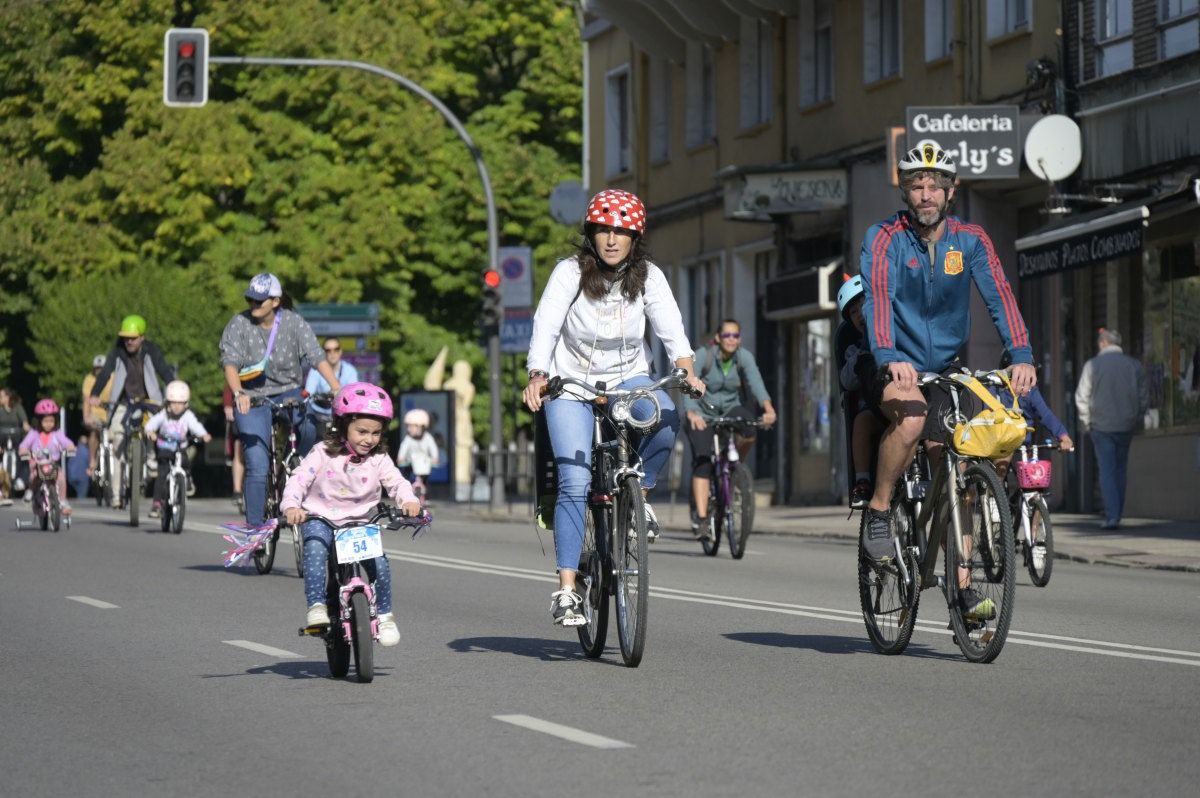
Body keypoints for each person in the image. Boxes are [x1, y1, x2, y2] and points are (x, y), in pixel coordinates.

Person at [859, 142, 1035, 621]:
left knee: (964, 460)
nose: (926, 193)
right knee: (912, 422)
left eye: (935, 185)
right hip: (895, 364)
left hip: (949, 367)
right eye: (917, 185)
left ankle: (961, 589)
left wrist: (1020, 354)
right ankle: (879, 510)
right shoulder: (884, 238)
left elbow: (1000, 296)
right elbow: (878, 297)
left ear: (951, 191)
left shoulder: (971, 240)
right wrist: (889, 354)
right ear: (905, 190)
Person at [522, 188, 705, 627]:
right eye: (603, 229)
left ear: (635, 238)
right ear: (590, 233)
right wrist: (537, 375)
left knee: (664, 417)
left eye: (621, 232)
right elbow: (546, 323)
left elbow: (671, 328)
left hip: (628, 379)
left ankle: (638, 494)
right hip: (571, 384)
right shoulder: (569, 272)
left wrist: (685, 369)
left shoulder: (649, 276)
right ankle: (567, 589)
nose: (611, 239)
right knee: (574, 480)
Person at [281, 382, 420, 647]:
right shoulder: (322, 452)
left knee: (379, 562)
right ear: (343, 426)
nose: (370, 439)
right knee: (314, 550)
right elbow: (298, 479)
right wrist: (291, 506)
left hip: (358, 522)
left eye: (376, 433)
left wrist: (409, 500)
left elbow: (397, 482)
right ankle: (317, 607)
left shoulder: (378, 458)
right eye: (362, 431)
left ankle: (385, 616)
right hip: (320, 518)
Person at [221, 273, 342, 528]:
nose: (253, 304)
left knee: (309, 423)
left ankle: (297, 465)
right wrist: (238, 392)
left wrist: (336, 387)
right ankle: (255, 530)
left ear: (275, 301)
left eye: (259, 300)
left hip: (289, 392)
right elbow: (229, 362)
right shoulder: (239, 324)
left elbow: (316, 356)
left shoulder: (294, 323)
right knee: (256, 462)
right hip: (252, 396)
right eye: (250, 299)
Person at [682, 318, 776, 533]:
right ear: (718, 338)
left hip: (730, 408)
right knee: (703, 461)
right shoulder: (705, 356)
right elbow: (688, 380)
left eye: (735, 335)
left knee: (750, 428)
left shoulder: (743, 357)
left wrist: (768, 408)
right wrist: (691, 412)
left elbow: (756, 381)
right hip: (702, 412)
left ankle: (734, 469)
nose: (731, 340)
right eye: (727, 335)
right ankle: (703, 519)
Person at [88, 315, 176, 495]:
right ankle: (116, 493)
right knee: (118, 439)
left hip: (149, 400)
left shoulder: (151, 351)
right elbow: (105, 373)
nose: (129, 342)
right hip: (123, 402)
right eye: (125, 338)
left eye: (133, 338)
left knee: (154, 429)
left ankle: (151, 462)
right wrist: (95, 394)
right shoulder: (117, 353)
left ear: (142, 337)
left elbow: (164, 370)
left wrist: (174, 390)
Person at [1074, 328, 1147, 530]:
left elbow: (1082, 396)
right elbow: (1143, 395)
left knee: (1107, 471)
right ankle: (1117, 512)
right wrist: (1138, 417)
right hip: (1126, 424)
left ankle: (1112, 515)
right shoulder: (1133, 365)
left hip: (1102, 426)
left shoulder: (1093, 365)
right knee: (1120, 469)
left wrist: (1086, 422)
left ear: (1104, 343)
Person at [833, 275, 884, 509]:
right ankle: (862, 481)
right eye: (853, 312)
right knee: (862, 422)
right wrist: (863, 352)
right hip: (873, 408)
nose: (860, 313)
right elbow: (847, 381)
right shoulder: (852, 346)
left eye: (865, 304)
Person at [990, 351, 1074, 483]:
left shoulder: (1030, 391)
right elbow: (989, 415)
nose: (1025, 382)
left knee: (1034, 474)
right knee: (1000, 468)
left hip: (1024, 442)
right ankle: (993, 498)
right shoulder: (995, 390)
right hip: (1001, 441)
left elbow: (1045, 414)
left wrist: (1063, 436)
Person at [145, 380, 212, 518]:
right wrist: (150, 432)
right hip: (164, 448)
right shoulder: (163, 414)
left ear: (186, 403)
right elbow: (151, 424)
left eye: (180, 403)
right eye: (173, 402)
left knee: (186, 463)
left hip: (180, 449)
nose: (176, 406)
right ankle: (157, 503)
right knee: (162, 474)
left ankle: (186, 480)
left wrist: (203, 434)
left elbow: (195, 426)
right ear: (168, 402)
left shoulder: (187, 416)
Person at [300, 336, 358, 455]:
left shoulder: (350, 370)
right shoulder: (315, 371)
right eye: (328, 350)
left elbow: (354, 395)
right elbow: (308, 393)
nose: (332, 353)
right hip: (319, 416)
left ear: (340, 351)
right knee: (307, 433)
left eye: (336, 349)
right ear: (323, 353)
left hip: (342, 417)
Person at [19, 399, 77, 516]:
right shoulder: (34, 434)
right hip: (37, 464)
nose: (48, 424)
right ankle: (31, 490)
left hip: (52, 465)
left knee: (60, 478)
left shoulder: (57, 433)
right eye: (45, 421)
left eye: (51, 420)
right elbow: (23, 446)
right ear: (39, 421)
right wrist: (24, 451)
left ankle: (62, 500)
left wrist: (70, 447)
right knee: (34, 477)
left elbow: (67, 442)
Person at [82, 354, 114, 476]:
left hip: (111, 413)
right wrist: (86, 416)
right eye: (97, 368)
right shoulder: (89, 379)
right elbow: (86, 400)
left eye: (102, 368)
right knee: (94, 433)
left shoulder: (113, 378)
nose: (99, 371)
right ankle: (92, 460)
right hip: (96, 414)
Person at [397, 408, 439, 500]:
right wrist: (401, 457)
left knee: (426, 480)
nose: (409, 429)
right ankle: (407, 494)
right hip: (410, 463)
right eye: (408, 426)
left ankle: (426, 496)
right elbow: (403, 448)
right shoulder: (408, 438)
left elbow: (433, 448)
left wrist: (435, 458)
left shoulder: (428, 438)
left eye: (412, 427)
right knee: (406, 479)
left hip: (423, 464)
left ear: (421, 427)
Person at [0, 387, 30, 503]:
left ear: (8, 397)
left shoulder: (18, 408)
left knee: (22, 457)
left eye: (1, 396)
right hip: (1, 439)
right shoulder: (0, 410)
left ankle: (22, 480)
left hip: (16, 439)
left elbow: (25, 424)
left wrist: (33, 436)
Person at [222, 387, 245, 512]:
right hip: (240, 408)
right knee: (239, 451)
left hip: (263, 407)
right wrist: (228, 405)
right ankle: (237, 490)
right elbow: (229, 385)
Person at [67, 435, 91, 500]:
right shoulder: (88, 451)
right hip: (83, 476)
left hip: (72, 476)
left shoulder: (73, 450)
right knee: (82, 495)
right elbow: (90, 463)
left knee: (79, 492)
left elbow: (69, 463)